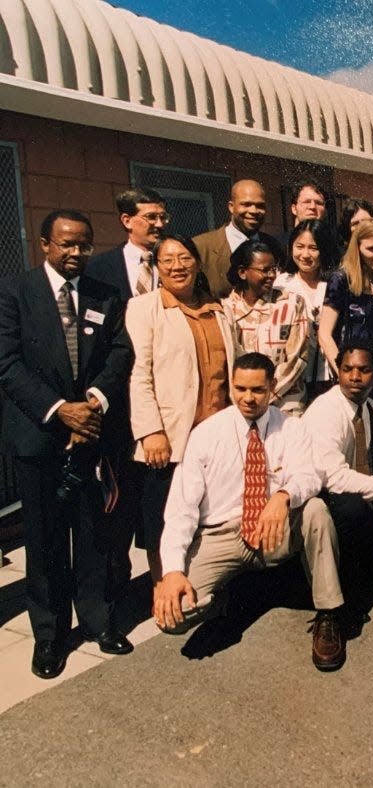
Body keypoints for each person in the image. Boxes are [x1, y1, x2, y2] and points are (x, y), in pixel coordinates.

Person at [0, 210, 135, 678]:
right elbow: (8, 364)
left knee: (94, 536)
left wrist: (92, 403)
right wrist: (62, 410)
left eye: (84, 244)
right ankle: (51, 636)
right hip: (40, 438)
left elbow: (121, 352)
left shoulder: (106, 294)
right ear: (45, 245)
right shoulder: (15, 293)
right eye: (67, 245)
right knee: (46, 542)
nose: (77, 253)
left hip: (92, 435)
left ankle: (98, 621)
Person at [154, 353, 347, 671]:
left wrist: (284, 495)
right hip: (220, 535)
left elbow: (310, 476)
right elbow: (181, 510)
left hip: (273, 530)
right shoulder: (206, 434)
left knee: (315, 510)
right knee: (171, 619)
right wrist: (172, 571)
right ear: (231, 386)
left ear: (273, 387)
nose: (247, 398)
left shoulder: (292, 428)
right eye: (240, 389)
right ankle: (225, 598)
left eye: (257, 390)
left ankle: (328, 614)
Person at [126, 234, 234, 583]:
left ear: (197, 262)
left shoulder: (220, 308)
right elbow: (138, 374)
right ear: (157, 267)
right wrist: (150, 431)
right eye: (168, 260)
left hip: (217, 435)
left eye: (185, 258)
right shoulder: (144, 309)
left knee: (209, 515)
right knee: (164, 520)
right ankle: (164, 589)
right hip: (170, 439)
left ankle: (205, 585)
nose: (178, 266)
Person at [85, 187, 169, 605]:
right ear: (126, 220)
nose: (158, 224)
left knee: (158, 500)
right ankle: (116, 590)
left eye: (161, 217)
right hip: (117, 407)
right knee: (118, 503)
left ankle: (162, 578)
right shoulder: (100, 271)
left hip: (163, 405)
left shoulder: (173, 265)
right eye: (150, 217)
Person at [302, 343, 373, 612]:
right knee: (353, 506)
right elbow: (333, 478)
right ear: (337, 372)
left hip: (357, 490)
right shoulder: (325, 410)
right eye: (347, 369)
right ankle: (341, 600)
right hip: (317, 495)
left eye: (363, 370)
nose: (355, 377)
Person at [319, 218, 373, 402]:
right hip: (353, 377)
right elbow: (324, 334)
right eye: (371, 249)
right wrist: (344, 373)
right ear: (357, 248)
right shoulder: (341, 280)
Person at [222, 240, 309, 415]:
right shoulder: (225, 309)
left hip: (286, 403)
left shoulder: (292, 304)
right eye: (264, 270)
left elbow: (297, 359)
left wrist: (266, 394)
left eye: (273, 269)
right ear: (242, 272)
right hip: (243, 405)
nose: (271, 275)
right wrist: (248, 396)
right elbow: (230, 359)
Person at [274, 219, 339, 401]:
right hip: (293, 377)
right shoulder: (281, 284)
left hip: (328, 376)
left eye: (313, 248)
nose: (305, 254)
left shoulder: (334, 284)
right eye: (299, 246)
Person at [191, 179, 284, 298]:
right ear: (231, 207)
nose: (253, 211)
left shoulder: (274, 246)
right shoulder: (201, 247)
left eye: (260, 205)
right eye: (246, 204)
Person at [277, 180, 331, 248]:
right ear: (294, 209)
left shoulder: (332, 247)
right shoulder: (277, 245)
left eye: (318, 203)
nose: (312, 207)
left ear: (325, 211)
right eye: (307, 202)